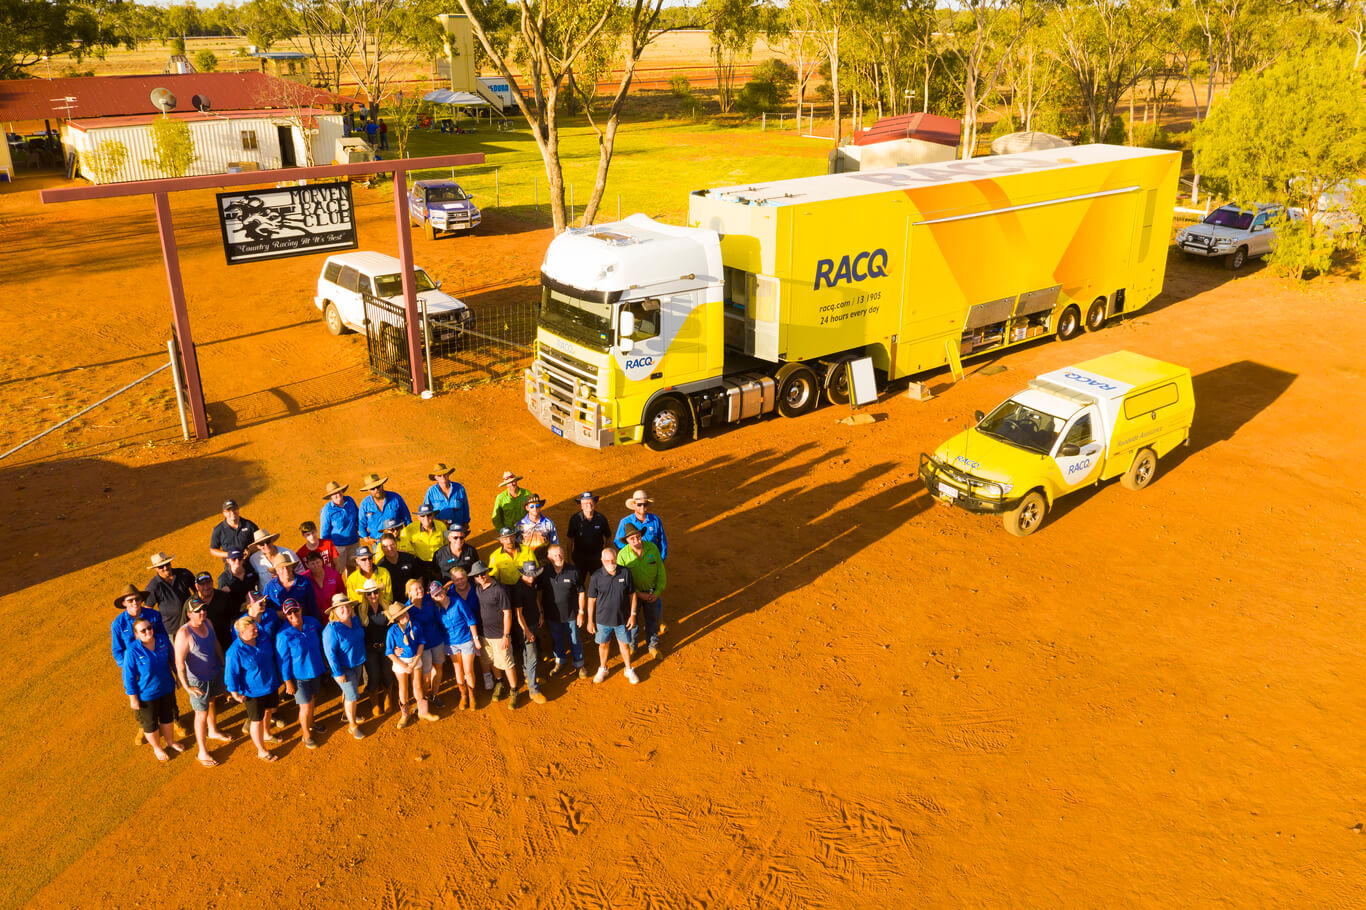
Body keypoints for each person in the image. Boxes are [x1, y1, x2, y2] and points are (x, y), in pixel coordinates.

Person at [174, 597, 231, 767]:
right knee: (201, 714)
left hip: (213, 673)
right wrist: (187, 686)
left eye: (203, 609)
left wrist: (222, 665)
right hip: (197, 681)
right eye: (197, 611)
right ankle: (202, 751)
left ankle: (212, 731)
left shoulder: (208, 623)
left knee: (212, 701)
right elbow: (179, 662)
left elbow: (215, 645)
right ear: (189, 614)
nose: (202, 613)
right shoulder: (184, 634)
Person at [123, 618, 186, 762]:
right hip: (147, 694)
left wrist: (178, 677)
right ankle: (157, 747)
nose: (147, 632)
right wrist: (133, 698)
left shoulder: (163, 640)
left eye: (149, 628)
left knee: (167, 716)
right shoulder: (132, 651)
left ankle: (170, 741)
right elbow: (128, 677)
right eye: (143, 630)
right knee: (150, 723)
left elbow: (173, 659)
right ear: (136, 634)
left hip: (166, 687)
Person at [225, 615, 284, 762]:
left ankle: (266, 734)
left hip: (270, 684)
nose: (257, 631)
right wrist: (235, 693)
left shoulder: (262, 636)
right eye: (253, 630)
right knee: (256, 720)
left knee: (269, 710)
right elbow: (231, 674)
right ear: (242, 633)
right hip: (253, 691)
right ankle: (261, 750)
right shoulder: (235, 651)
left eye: (256, 628)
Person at [275, 600, 329, 749]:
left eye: (295, 610)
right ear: (285, 615)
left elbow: (324, 635)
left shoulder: (312, 622)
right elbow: (283, 661)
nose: (294, 615)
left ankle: (311, 723)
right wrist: (287, 682)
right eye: (289, 612)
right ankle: (306, 735)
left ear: (300, 609)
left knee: (311, 700)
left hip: (315, 671)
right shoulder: (283, 635)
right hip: (298, 677)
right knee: (304, 707)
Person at [471, 561, 520, 708]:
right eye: (477, 575)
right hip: (483, 635)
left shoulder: (499, 589)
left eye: (483, 573)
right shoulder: (477, 589)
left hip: (499, 635)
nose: (481, 577)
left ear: (488, 572)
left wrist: (506, 635)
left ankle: (514, 690)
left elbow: (507, 613)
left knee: (507, 663)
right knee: (492, 661)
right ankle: (499, 683)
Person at [587, 547, 638, 684]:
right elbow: (591, 599)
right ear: (602, 561)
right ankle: (603, 668)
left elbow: (632, 594)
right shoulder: (596, 577)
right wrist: (590, 621)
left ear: (616, 558)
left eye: (613, 560)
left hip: (622, 619)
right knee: (603, 645)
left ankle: (628, 669)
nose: (611, 563)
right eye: (607, 560)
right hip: (602, 620)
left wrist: (633, 614)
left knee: (625, 645)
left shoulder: (625, 573)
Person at [322, 594, 369, 739]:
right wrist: (338, 673)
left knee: (348, 693)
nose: (345, 609)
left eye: (347, 606)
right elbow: (330, 654)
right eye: (340, 607)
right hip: (343, 668)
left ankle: (346, 715)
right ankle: (352, 726)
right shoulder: (331, 630)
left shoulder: (354, 620)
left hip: (356, 662)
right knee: (352, 696)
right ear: (334, 611)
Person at [618, 522, 667, 659]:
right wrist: (638, 593)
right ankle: (633, 647)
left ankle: (653, 646)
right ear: (627, 541)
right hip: (632, 596)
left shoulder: (652, 549)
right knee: (633, 623)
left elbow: (661, 572)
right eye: (632, 538)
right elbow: (621, 581)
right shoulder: (622, 556)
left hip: (652, 594)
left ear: (641, 536)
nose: (636, 541)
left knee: (652, 620)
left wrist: (657, 592)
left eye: (638, 537)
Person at [385, 601, 438, 727]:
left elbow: (421, 644)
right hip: (400, 663)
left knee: (417, 685)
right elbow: (389, 652)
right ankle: (405, 715)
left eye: (405, 613)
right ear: (396, 618)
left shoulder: (416, 625)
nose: (404, 616)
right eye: (400, 615)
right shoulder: (392, 631)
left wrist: (414, 662)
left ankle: (423, 711)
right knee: (402, 688)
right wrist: (404, 666)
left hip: (415, 659)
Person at [436, 569, 480, 710]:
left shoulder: (457, 602)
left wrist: (475, 638)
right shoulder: (437, 610)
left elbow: (470, 620)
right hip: (451, 643)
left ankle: (472, 696)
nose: (439, 595)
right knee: (458, 670)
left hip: (466, 639)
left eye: (440, 592)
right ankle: (463, 696)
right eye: (436, 595)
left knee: (468, 670)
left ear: (444, 590)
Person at [541, 544, 586, 678]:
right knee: (556, 639)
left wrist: (581, 612)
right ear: (549, 557)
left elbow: (581, 593)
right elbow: (538, 593)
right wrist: (541, 613)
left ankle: (579, 663)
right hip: (552, 615)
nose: (558, 557)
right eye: (555, 555)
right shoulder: (544, 572)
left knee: (574, 639)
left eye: (560, 554)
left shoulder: (573, 571)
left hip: (571, 614)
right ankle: (560, 661)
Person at [405, 578, 448, 708]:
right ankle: (423, 700)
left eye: (421, 587)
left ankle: (434, 695)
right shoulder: (407, 608)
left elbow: (443, 593)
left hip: (437, 639)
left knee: (438, 669)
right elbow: (402, 629)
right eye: (416, 589)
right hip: (421, 647)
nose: (420, 590)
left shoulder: (429, 599)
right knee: (425, 676)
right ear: (409, 593)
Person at [510, 561, 548, 705]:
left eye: (533, 575)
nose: (531, 577)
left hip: (534, 622)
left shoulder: (533, 584)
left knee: (527, 654)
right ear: (523, 574)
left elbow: (536, 599)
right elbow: (518, 614)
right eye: (528, 575)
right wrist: (526, 631)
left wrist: (540, 613)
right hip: (525, 627)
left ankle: (528, 677)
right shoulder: (518, 589)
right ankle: (533, 690)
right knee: (532, 657)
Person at [356, 577, 395, 717]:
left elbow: (394, 628)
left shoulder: (387, 606)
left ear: (379, 592)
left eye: (375, 592)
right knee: (373, 675)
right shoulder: (359, 610)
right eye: (369, 593)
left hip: (386, 647)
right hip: (369, 648)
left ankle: (388, 695)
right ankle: (374, 700)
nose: (373, 595)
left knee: (387, 672)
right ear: (364, 595)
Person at [145, 551, 196, 638]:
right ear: (156, 569)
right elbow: (147, 610)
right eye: (161, 566)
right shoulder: (153, 587)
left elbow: (198, 590)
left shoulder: (184, 574)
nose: (165, 567)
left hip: (192, 624)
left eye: (167, 564)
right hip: (172, 631)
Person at [567, 491, 612, 578]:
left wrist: (605, 555)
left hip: (597, 558)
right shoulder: (575, 519)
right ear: (581, 505)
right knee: (577, 583)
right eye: (586, 503)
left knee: (600, 583)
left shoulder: (601, 518)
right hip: (579, 558)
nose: (589, 505)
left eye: (591, 502)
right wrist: (570, 559)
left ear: (595, 503)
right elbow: (570, 539)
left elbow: (608, 537)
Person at [358, 472, 411, 544]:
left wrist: (409, 535)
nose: (376, 490)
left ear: (382, 485)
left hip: (397, 539)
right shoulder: (365, 504)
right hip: (377, 542)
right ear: (368, 490)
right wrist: (366, 538)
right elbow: (361, 524)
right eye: (373, 488)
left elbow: (406, 518)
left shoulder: (396, 498)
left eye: (378, 486)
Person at [319, 480, 361, 571]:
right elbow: (324, 533)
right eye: (334, 493)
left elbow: (358, 516)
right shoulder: (327, 510)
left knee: (352, 568)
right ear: (331, 496)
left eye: (339, 491)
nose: (338, 494)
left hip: (354, 542)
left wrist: (360, 530)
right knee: (338, 571)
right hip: (338, 547)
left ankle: (350, 585)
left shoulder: (350, 501)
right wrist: (328, 549)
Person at [264, 552, 318, 621]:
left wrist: (316, 623)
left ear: (292, 567)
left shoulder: (304, 581)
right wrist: (278, 614)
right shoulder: (269, 586)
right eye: (282, 568)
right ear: (276, 570)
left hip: (304, 622)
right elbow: (266, 610)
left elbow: (312, 605)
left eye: (288, 567)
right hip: (280, 627)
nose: (286, 570)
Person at [399, 504, 447, 582]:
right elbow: (403, 544)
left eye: (429, 515)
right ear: (418, 517)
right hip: (420, 564)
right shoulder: (409, 529)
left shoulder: (441, 526)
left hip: (438, 562)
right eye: (422, 516)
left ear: (433, 515)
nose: (426, 518)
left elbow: (446, 545)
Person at [615, 489, 669, 559]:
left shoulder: (655, 520)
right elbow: (618, 542)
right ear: (633, 505)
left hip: (651, 559)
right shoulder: (625, 522)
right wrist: (630, 555)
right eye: (639, 504)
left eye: (645, 504)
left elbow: (662, 542)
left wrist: (660, 559)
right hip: (633, 561)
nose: (642, 507)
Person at [192, 571, 235, 654]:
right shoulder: (191, 603)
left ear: (212, 583)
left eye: (208, 583)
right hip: (203, 650)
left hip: (225, 645)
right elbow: (185, 625)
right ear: (196, 586)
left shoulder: (224, 597)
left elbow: (233, 618)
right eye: (202, 584)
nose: (206, 587)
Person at [378, 527, 422, 603]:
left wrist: (417, 596)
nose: (389, 549)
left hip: (412, 599)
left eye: (392, 545)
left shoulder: (408, 558)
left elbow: (419, 578)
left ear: (396, 544)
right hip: (394, 604)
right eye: (385, 547)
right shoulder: (380, 566)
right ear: (381, 548)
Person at [423, 462, 470, 529]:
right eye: (439, 475)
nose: (443, 477)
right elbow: (426, 512)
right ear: (435, 477)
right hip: (439, 528)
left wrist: (466, 523)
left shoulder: (460, 488)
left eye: (445, 474)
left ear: (448, 474)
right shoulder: (431, 492)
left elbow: (465, 507)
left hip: (457, 528)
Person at [301, 549, 344, 621]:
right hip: (314, 618)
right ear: (307, 565)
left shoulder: (334, 574)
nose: (316, 566)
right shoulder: (303, 579)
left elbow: (342, 593)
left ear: (322, 562)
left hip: (335, 615)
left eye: (317, 562)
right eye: (312, 563)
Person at [345, 546, 393, 610]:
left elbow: (388, 598)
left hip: (383, 609)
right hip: (362, 612)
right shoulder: (351, 579)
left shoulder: (384, 573)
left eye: (370, 558)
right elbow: (353, 603)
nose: (368, 562)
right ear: (357, 561)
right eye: (363, 559)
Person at [490, 471, 536, 536]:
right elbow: (496, 517)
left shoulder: (526, 493)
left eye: (513, 481)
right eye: (508, 483)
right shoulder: (500, 498)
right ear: (506, 485)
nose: (511, 484)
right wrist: (502, 531)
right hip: (509, 532)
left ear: (516, 481)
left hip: (526, 529)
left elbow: (534, 511)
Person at [217, 548, 254, 620]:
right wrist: (223, 592)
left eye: (240, 558)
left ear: (243, 559)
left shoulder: (249, 569)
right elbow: (220, 601)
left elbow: (256, 580)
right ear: (228, 561)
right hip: (236, 616)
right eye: (233, 559)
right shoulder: (224, 578)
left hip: (253, 610)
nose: (237, 562)